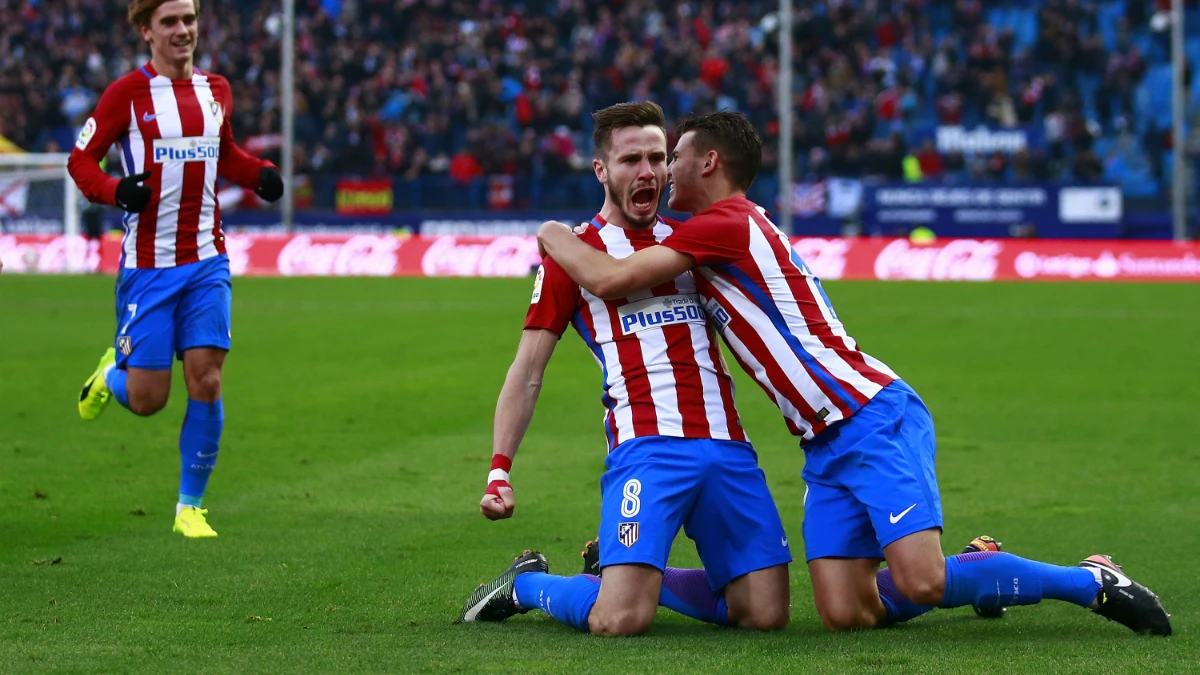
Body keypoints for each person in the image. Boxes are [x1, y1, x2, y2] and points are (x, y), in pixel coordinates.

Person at [538, 111, 1171, 636]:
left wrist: (547, 233)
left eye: (672, 156)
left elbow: (612, 275)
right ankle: (981, 571)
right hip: (821, 441)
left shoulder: (726, 223)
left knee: (921, 580)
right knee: (847, 611)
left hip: (869, 414)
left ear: (708, 163)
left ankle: (1089, 580)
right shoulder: (704, 234)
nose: (662, 168)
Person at [458, 102, 791, 636]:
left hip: (727, 443)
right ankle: (525, 585)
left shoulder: (692, 239)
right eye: (631, 159)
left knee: (765, 613)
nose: (648, 172)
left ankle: (620, 572)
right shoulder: (574, 255)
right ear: (601, 170)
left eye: (658, 158)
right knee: (620, 620)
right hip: (648, 446)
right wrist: (500, 468)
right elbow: (527, 370)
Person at [68, 0, 284, 538]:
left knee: (207, 379)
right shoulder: (126, 95)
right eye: (170, 21)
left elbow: (225, 153)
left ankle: (190, 506)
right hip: (148, 266)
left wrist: (258, 175)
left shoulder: (217, 90)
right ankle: (110, 375)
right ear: (146, 31)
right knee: (148, 400)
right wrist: (116, 190)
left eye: (188, 19)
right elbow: (80, 162)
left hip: (207, 259)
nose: (183, 30)